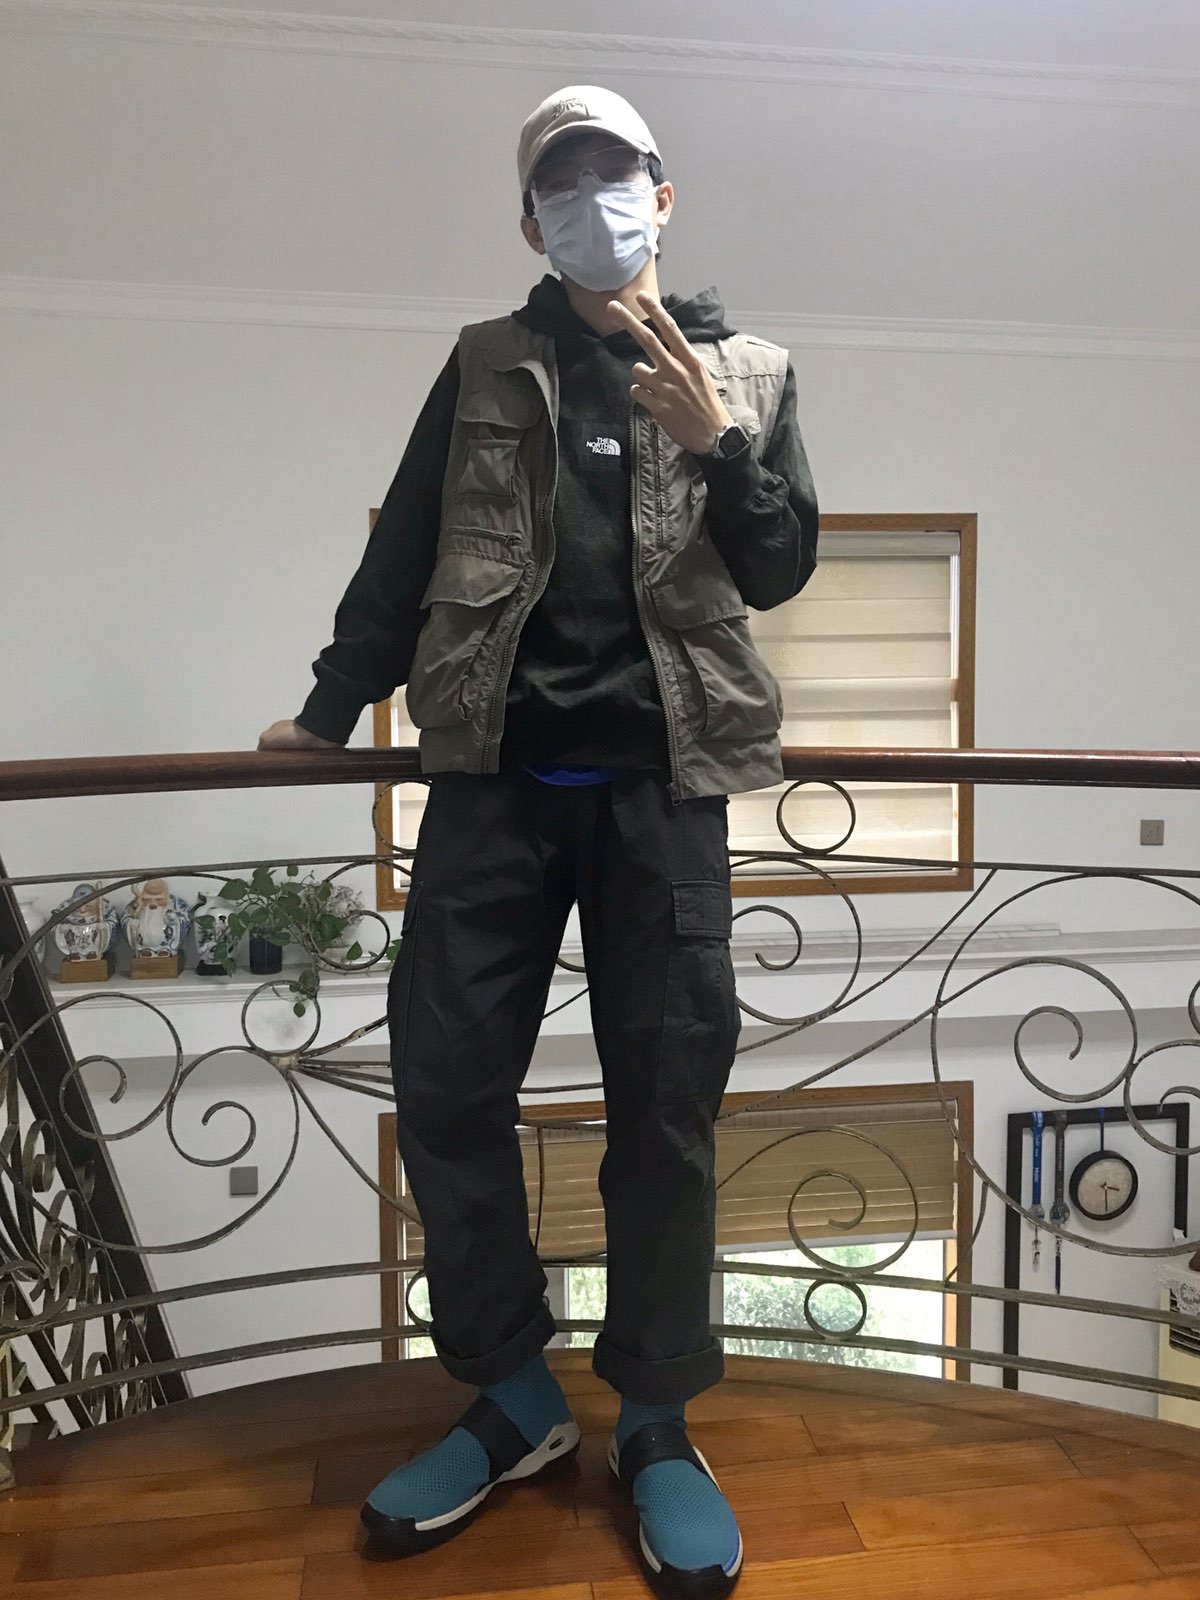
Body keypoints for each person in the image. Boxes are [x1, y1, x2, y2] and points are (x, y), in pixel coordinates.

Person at [258, 84, 818, 1598]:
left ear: (664, 194)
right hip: (493, 787)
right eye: (560, 187)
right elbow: (405, 548)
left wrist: (717, 442)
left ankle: (655, 1426)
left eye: (614, 176)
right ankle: (511, 1399)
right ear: (529, 225)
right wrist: (331, 710)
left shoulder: (751, 371)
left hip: (664, 797)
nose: (591, 204)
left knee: (667, 1115)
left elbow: (779, 567)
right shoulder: (482, 363)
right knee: (445, 1086)